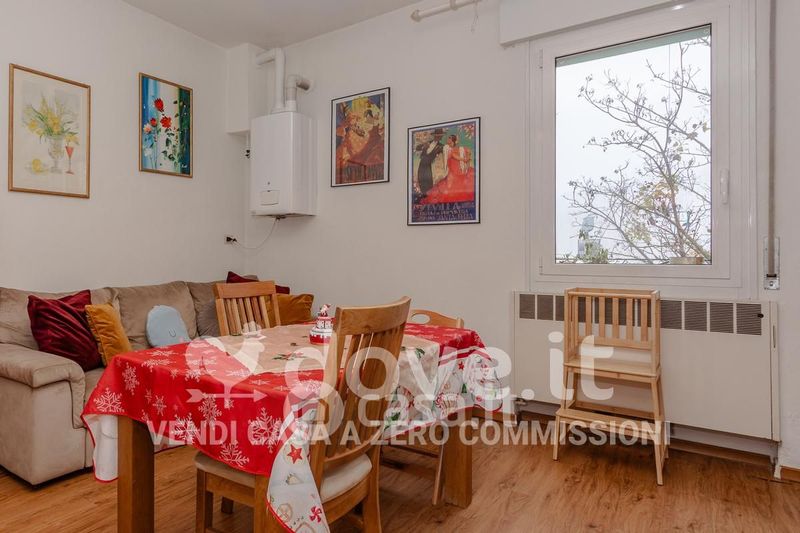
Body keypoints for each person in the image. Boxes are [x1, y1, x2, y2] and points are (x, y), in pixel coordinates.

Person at [420, 134, 475, 205]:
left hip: (457, 170)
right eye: (448, 138)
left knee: (458, 184)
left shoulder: (458, 149)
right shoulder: (447, 148)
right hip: (453, 170)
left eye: (449, 138)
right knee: (449, 185)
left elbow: (467, 151)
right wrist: (464, 159)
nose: (447, 139)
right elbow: (454, 156)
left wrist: (467, 156)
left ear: (453, 140)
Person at [414, 128, 445, 195]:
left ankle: (428, 196)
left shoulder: (441, 146)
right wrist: (424, 146)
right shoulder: (428, 143)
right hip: (422, 164)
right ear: (434, 136)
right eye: (438, 135)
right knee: (421, 180)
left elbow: (447, 151)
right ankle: (424, 195)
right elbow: (417, 148)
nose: (439, 137)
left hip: (429, 165)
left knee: (429, 182)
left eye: (440, 135)